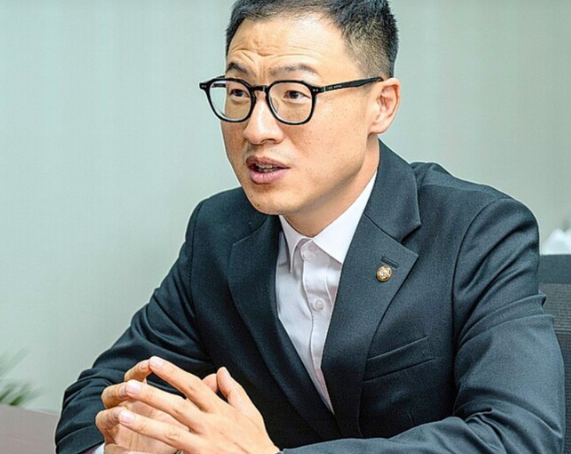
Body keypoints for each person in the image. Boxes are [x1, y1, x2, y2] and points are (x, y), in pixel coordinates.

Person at [55, 1, 565, 453]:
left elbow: (518, 436)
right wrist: (125, 440)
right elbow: (99, 395)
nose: (256, 128)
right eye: (239, 91)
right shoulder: (219, 232)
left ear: (381, 105)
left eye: (295, 94)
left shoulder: (476, 231)